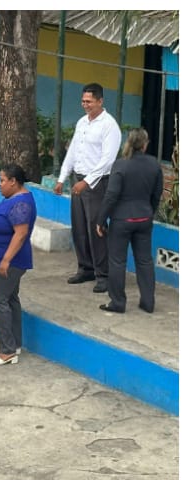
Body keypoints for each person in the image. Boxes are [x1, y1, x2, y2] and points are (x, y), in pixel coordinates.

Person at [56, 82, 121, 293]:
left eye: (89, 102)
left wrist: (87, 181)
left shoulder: (109, 126)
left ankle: (104, 274)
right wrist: (62, 177)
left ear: (100, 101)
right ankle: (86, 268)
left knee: (97, 229)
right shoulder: (82, 123)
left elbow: (108, 160)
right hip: (78, 180)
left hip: (97, 183)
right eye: (83, 101)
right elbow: (73, 151)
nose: (85, 105)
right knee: (80, 228)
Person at [97, 128, 164, 314]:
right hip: (144, 217)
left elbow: (111, 196)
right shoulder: (154, 164)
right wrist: (149, 210)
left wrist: (101, 220)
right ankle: (148, 302)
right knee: (144, 261)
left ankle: (118, 302)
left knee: (117, 261)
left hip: (121, 219)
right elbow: (157, 193)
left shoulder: (120, 165)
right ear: (145, 144)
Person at [0, 164, 37, 365]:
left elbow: (20, 234)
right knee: (10, 298)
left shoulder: (21, 204)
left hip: (10, 261)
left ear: (13, 182)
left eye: (2, 180)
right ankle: (14, 343)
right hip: (5, 258)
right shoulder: (13, 199)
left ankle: (7, 350)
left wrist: (5, 259)